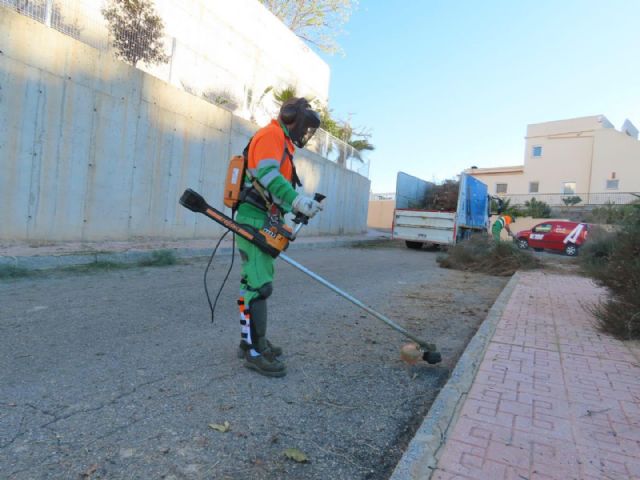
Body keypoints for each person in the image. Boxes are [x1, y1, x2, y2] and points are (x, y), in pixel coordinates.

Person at [235, 97, 323, 378]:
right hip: (253, 219)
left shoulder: (281, 142)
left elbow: (274, 189)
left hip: (264, 218)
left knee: (258, 281)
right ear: (290, 117)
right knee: (258, 286)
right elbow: (268, 176)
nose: (305, 134)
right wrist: (297, 201)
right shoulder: (271, 135)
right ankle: (254, 350)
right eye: (305, 127)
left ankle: (251, 340)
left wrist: (295, 205)